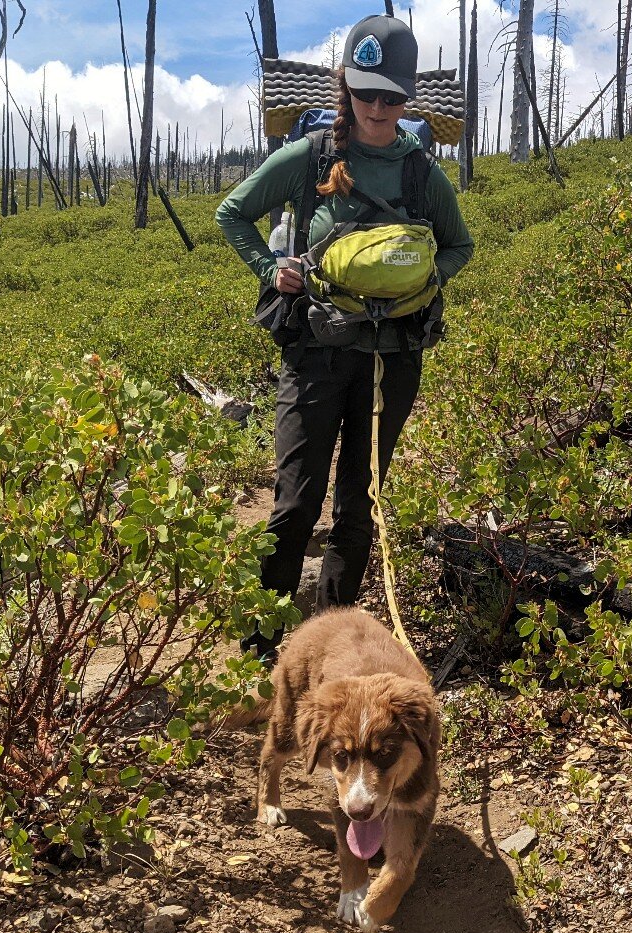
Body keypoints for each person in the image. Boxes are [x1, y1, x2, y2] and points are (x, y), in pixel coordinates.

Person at [215, 14, 474, 649]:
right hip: (316, 355)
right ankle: (261, 646)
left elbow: (459, 247)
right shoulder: (312, 156)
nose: (379, 107)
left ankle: (329, 644)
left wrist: (422, 284)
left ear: (406, 98)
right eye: (367, 92)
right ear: (346, 90)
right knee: (296, 503)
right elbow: (233, 214)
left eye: (391, 95)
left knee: (360, 506)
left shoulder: (421, 172)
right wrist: (272, 267)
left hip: (393, 361)